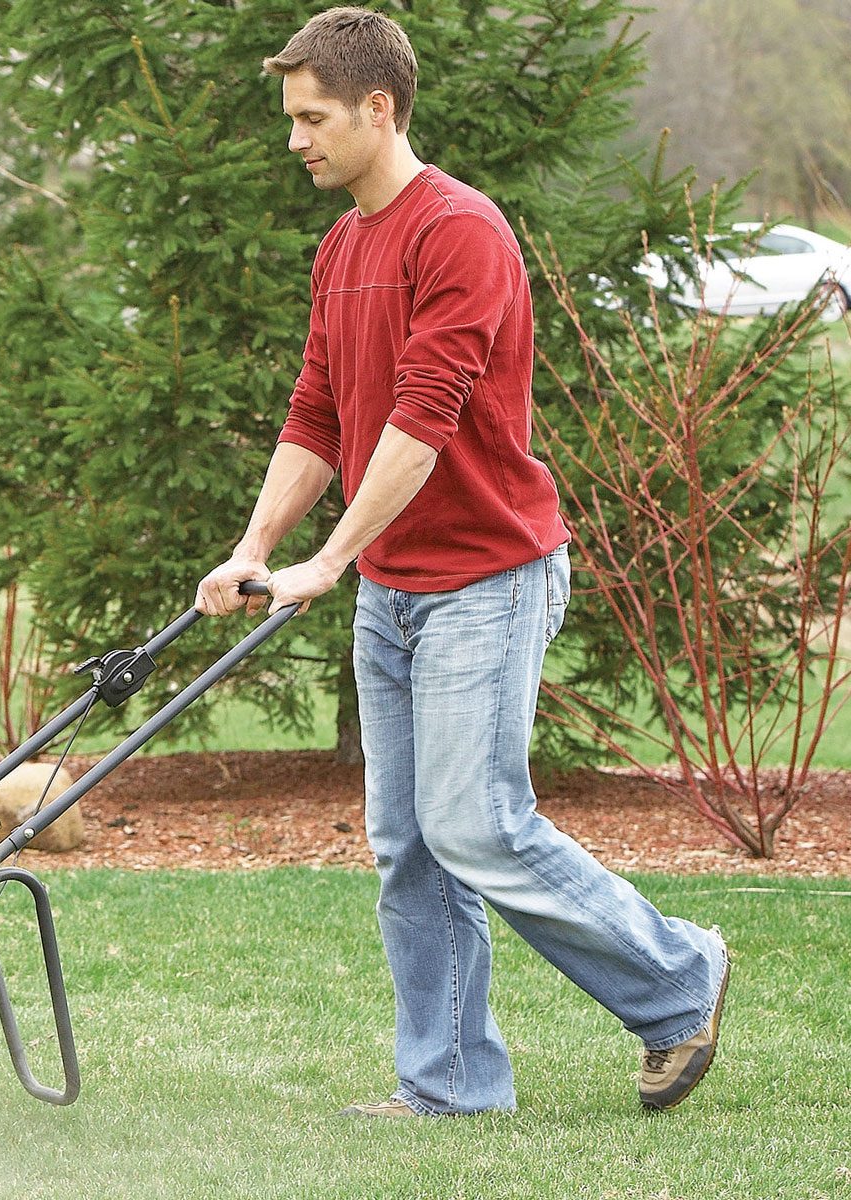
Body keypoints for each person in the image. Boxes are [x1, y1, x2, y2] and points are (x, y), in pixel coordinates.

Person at [193, 5, 729, 1118]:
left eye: (313, 117)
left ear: (378, 109)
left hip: (487, 574)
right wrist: (254, 550)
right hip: (395, 589)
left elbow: (423, 421)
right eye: (291, 117)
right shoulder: (344, 245)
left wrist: (328, 561)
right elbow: (320, 412)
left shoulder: (459, 231)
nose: (296, 139)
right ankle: (449, 1086)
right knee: (410, 847)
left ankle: (679, 976)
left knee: (476, 822)